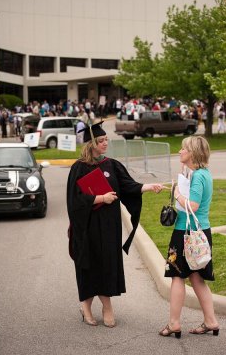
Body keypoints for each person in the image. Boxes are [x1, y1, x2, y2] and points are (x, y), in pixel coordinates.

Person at [67, 121, 164, 328]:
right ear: (91, 144)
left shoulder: (111, 164)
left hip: (109, 227)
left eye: (106, 140)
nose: (105, 144)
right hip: (87, 228)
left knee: (106, 264)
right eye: (101, 141)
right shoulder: (78, 168)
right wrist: (101, 198)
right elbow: (74, 201)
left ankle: (106, 307)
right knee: (89, 265)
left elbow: (129, 186)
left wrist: (149, 186)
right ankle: (87, 308)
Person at [160, 136, 219, 338]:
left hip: (186, 233)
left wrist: (177, 193)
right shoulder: (201, 174)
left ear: (192, 153)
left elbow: (192, 205)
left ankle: (174, 323)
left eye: (183, 148)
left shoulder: (199, 176)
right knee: (197, 278)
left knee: (177, 277)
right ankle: (211, 321)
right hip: (200, 232)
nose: (180, 151)